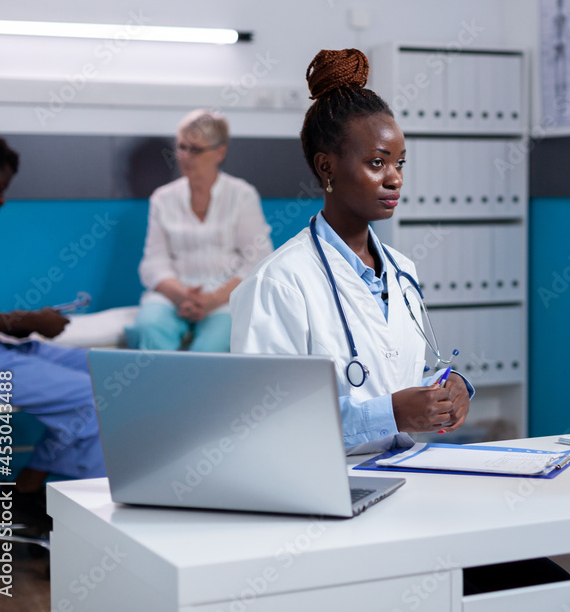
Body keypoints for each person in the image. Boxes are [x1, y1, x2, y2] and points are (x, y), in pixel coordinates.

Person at [230, 49, 474, 454]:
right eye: (377, 163)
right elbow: (264, 422)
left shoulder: (401, 271)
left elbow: (397, 372)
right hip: (319, 489)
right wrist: (390, 415)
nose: (395, 178)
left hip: (403, 473)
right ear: (326, 167)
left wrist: (452, 389)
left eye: (400, 163)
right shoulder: (280, 283)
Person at [0, 130, 106, 525]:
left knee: (108, 372)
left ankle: (28, 491)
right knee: (91, 400)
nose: (3, 200)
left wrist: (18, 325)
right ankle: (50, 503)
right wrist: (28, 321)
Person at [127, 109, 273, 352]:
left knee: (211, 349)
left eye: (195, 150)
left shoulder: (242, 195)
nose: (185, 156)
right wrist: (181, 295)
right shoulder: (163, 199)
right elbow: (153, 263)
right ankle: (157, 390)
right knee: (149, 327)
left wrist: (211, 299)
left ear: (220, 151)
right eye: (181, 147)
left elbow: (257, 261)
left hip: (226, 297)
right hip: (175, 295)